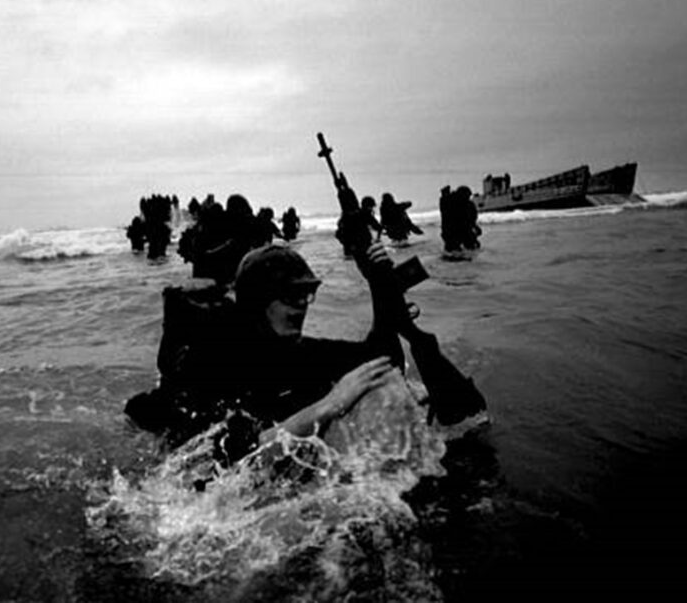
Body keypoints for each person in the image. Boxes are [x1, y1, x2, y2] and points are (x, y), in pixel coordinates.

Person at [126, 242, 418, 462]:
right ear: (259, 300)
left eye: (307, 294)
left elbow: (381, 362)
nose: (303, 304)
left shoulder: (297, 351)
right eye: (292, 295)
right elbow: (235, 458)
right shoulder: (217, 361)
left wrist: (379, 285)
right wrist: (332, 403)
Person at [440, 185, 481, 252]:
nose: (468, 198)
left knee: (472, 246)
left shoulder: (468, 205)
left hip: (463, 231)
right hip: (453, 232)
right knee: (453, 249)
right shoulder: (451, 203)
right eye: (467, 196)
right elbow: (445, 210)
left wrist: (475, 227)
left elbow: (471, 219)